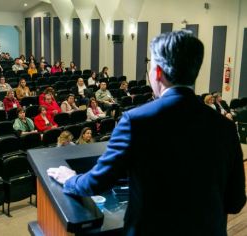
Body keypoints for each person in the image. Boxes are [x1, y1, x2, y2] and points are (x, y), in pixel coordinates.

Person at [47, 30, 246, 235]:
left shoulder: (135, 120)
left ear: (157, 72)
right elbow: (236, 202)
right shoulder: (225, 126)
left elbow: (97, 182)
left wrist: (70, 179)